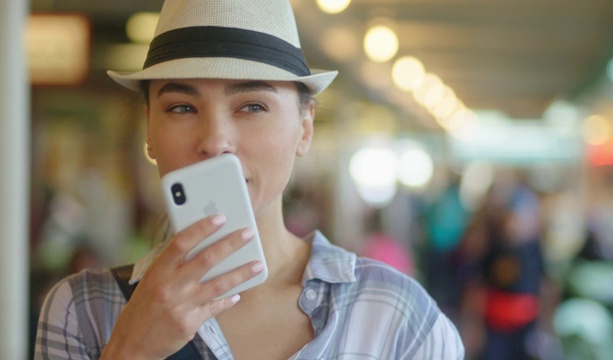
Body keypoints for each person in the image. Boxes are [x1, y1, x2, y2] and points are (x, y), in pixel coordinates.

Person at [34, 0, 464, 359]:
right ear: (149, 130)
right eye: (181, 107)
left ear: (305, 128)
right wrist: (128, 350)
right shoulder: (84, 309)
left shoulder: (397, 316)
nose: (215, 142)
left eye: (252, 106)